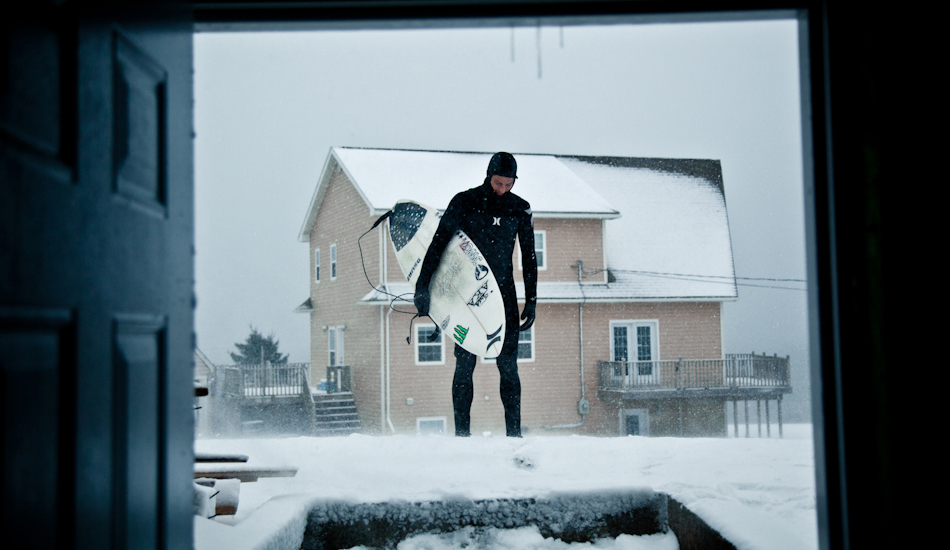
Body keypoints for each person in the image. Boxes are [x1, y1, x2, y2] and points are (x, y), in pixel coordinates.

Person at [414, 152, 538, 437]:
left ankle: (514, 436)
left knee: (508, 367)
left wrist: (531, 299)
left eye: (508, 185)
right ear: (488, 174)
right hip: (466, 297)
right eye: (498, 183)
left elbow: (529, 257)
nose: (502, 189)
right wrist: (423, 286)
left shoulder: (520, 209)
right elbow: (438, 244)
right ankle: (462, 437)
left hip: (505, 295)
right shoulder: (465, 201)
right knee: (465, 364)